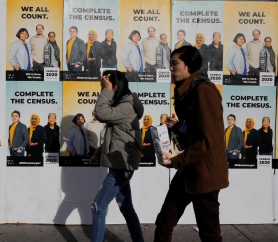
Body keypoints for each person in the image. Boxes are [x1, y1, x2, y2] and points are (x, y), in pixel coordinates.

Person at [155, 46, 229, 242]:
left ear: (188, 65)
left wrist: (178, 160)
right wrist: (178, 127)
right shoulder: (187, 90)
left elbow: (207, 140)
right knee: (164, 222)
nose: (170, 68)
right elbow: (195, 131)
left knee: (209, 234)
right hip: (188, 171)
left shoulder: (203, 91)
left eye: (175, 64)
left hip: (205, 174)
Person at [90, 70, 144, 242]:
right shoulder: (123, 105)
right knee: (127, 209)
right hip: (121, 165)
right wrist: (99, 153)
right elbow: (116, 135)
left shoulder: (126, 107)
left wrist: (106, 91)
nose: (103, 89)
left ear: (114, 87)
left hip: (121, 168)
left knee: (98, 207)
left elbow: (100, 113)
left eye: (105, 87)